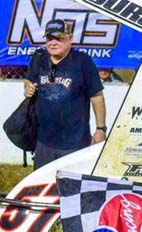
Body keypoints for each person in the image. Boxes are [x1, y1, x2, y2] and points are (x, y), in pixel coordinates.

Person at [23, 20, 106, 169]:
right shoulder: (39, 58)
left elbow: (97, 96)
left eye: (59, 38)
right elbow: (28, 80)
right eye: (50, 38)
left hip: (74, 142)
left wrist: (100, 129)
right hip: (44, 140)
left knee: (71, 183)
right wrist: (27, 87)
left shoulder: (82, 61)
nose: (53, 43)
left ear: (70, 38)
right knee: (44, 182)